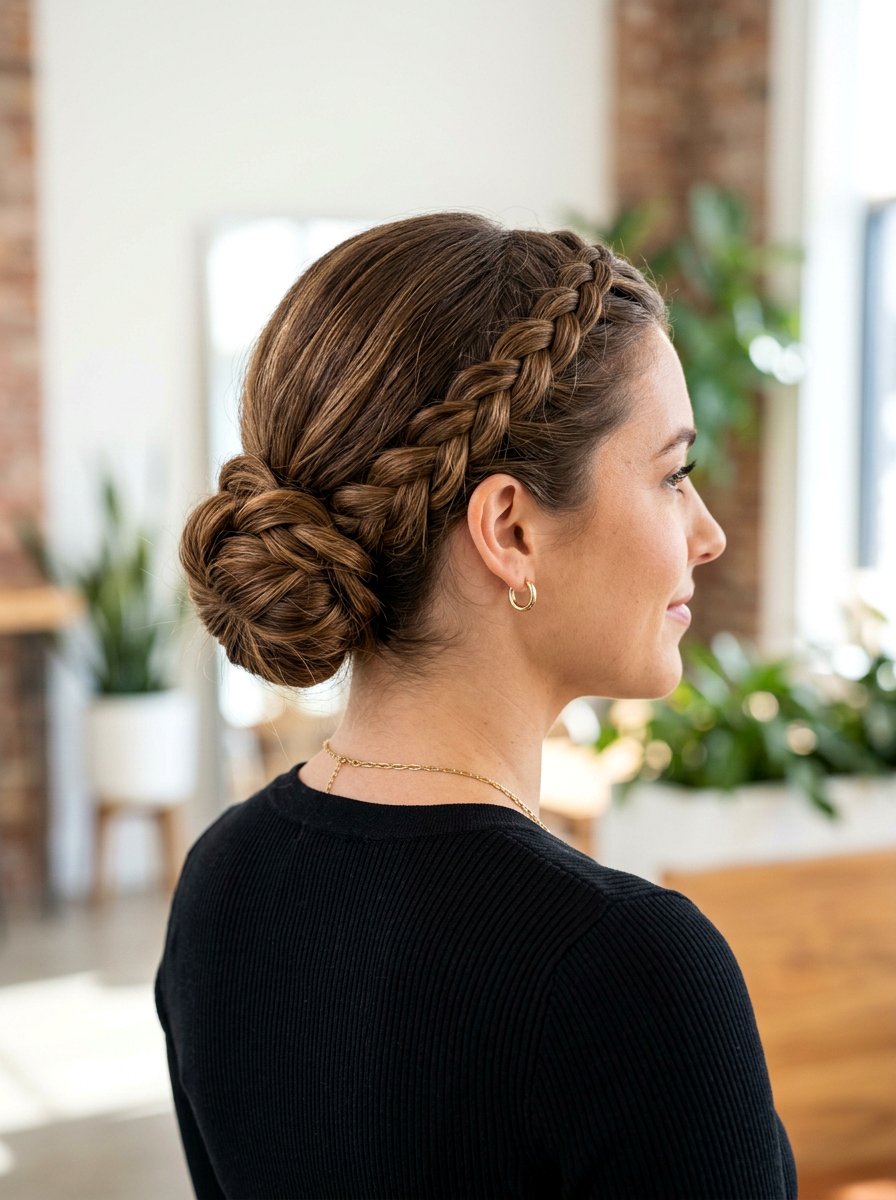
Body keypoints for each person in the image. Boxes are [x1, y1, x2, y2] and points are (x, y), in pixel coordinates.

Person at [154, 211, 798, 1199]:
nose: (705, 534)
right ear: (510, 529)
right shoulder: (629, 974)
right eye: (671, 474)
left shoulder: (222, 880)